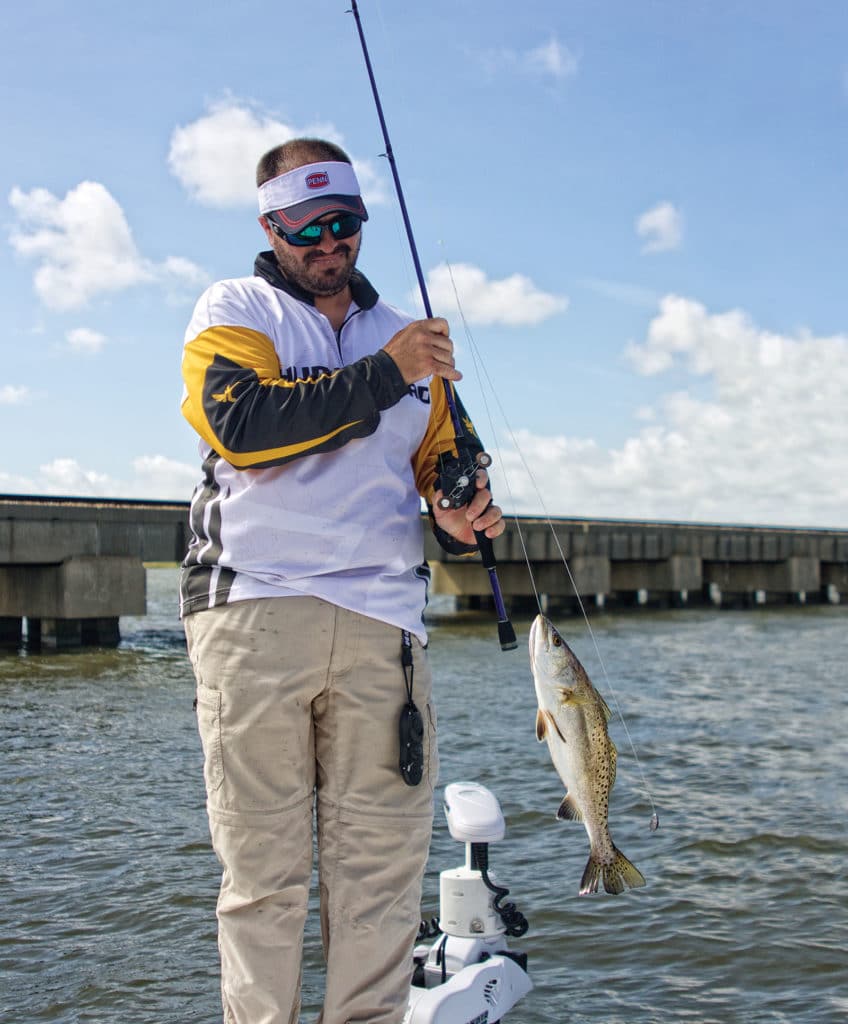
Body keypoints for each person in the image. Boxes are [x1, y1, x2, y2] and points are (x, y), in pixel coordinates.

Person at [179, 136, 503, 1024]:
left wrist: (459, 507)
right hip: (253, 609)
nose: (328, 244)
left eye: (344, 224)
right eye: (306, 227)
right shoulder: (234, 309)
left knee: (380, 883)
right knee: (263, 877)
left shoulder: (411, 342)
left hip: (384, 627)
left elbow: (442, 467)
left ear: (362, 223)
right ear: (270, 226)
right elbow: (243, 425)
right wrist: (387, 370)